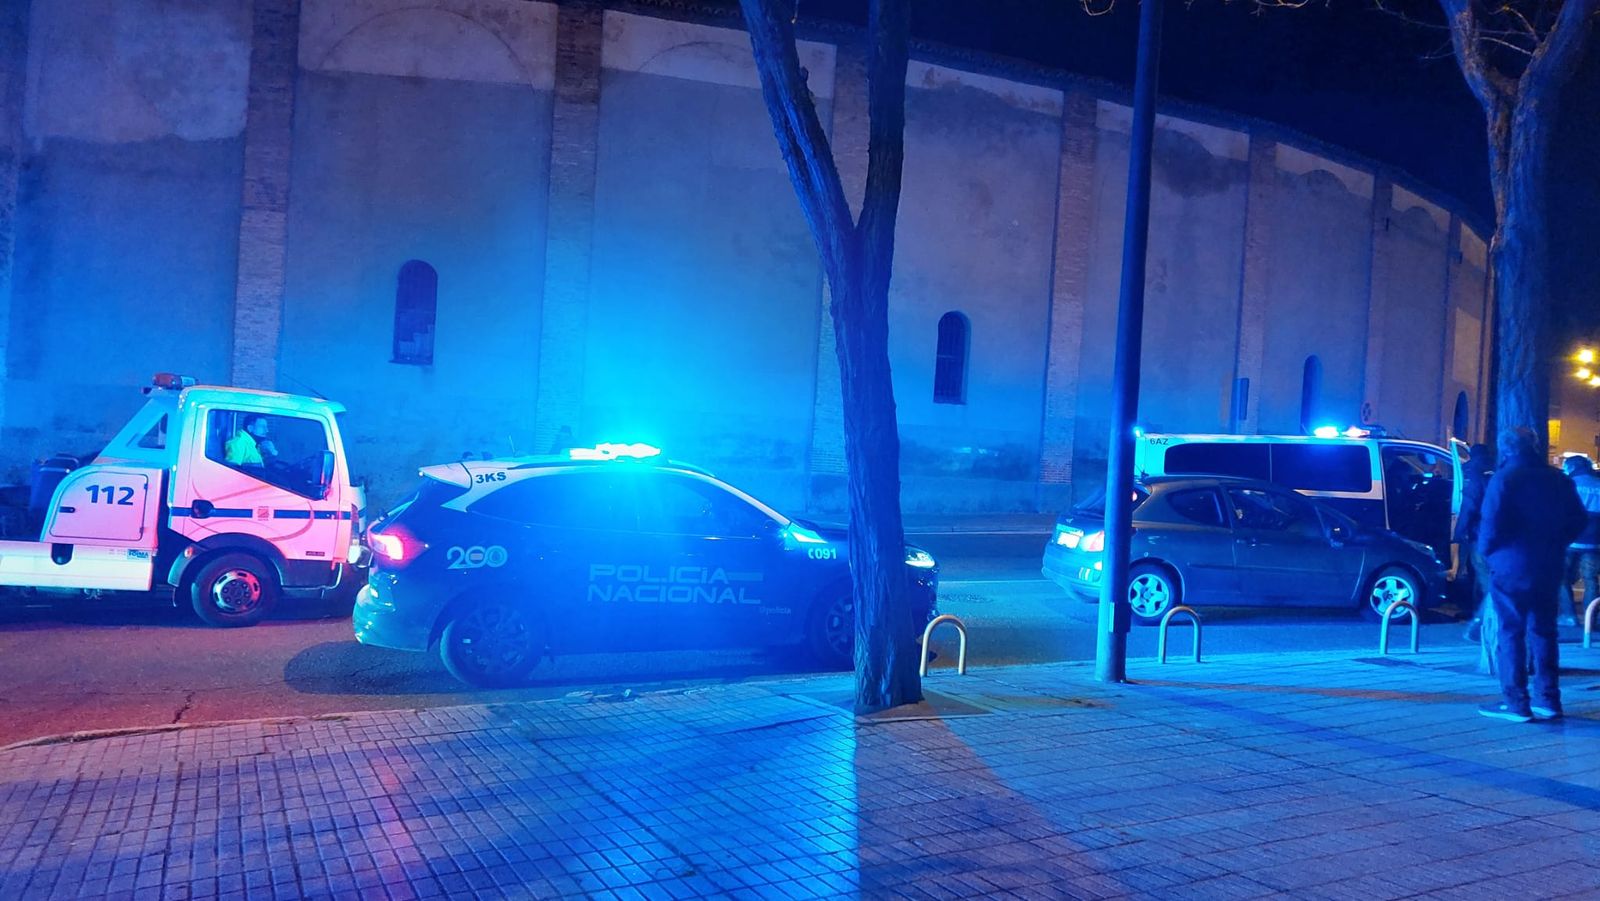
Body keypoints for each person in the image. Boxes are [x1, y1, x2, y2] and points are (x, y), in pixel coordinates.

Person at [1476, 427, 1587, 722]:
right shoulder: (1558, 479)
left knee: (1511, 630)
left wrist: (1489, 553)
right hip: (1548, 563)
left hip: (1511, 564)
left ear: (1505, 449)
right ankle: (1548, 698)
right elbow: (1578, 519)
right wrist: (1556, 542)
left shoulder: (1505, 479)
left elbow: (1490, 524)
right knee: (1544, 631)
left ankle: (1516, 702)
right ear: (1535, 446)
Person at [1456, 443, 1494, 642]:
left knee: (1482, 575)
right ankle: (1474, 610)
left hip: (1479, 534)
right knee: (1479, 575)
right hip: (1496, 534)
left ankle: (1482, 618)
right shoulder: (1497, 470)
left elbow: (1469, 506)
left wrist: (1459, 532)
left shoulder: (1473, 473)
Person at [1560, 455, 1600, 626]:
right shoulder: (1598, 484)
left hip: (1570, 540)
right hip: (1594, 541)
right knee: (1590, 579)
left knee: (1561, 577)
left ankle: (1568, 616)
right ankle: (1591, 619)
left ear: (1572, 467)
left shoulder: (1568, 484)